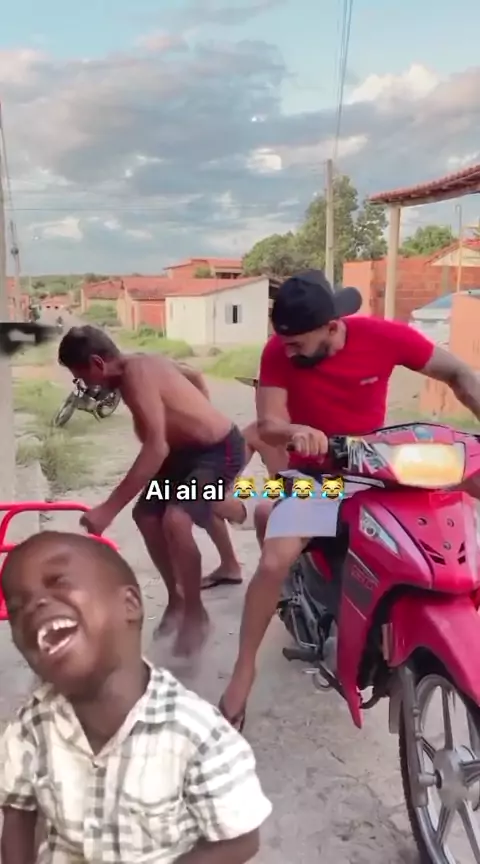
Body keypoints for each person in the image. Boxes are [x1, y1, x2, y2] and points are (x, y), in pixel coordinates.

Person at [219, 268, 480, 728]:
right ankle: (244, 670)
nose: (288, 350)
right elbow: (269, 423)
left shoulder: (383, 336)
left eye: (298, 343)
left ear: (332, 327)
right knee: (275, 560)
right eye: (284, 342)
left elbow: (458, 372)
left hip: (377, 465)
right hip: (315, 477)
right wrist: (296, 430)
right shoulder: (278, 351)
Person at [0, 531, 272, 864]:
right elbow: (18, 813)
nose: (34, 605)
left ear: (129, 605)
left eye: (58, 581)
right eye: (17, 607)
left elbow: (241, 840)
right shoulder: (32, 724)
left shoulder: (198, 735)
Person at [57, 325, 245, 657]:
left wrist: (108, 509)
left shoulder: (137, 373)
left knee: (177, 519)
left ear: (98, 363)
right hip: (180, 458)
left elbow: (156, 448)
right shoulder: (135, 368)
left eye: (83, 377)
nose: (87, 386)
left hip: (217, 452)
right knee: (146, 516)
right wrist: (193, 408)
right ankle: (177, 598)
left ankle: (195, 614)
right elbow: (190, 374)